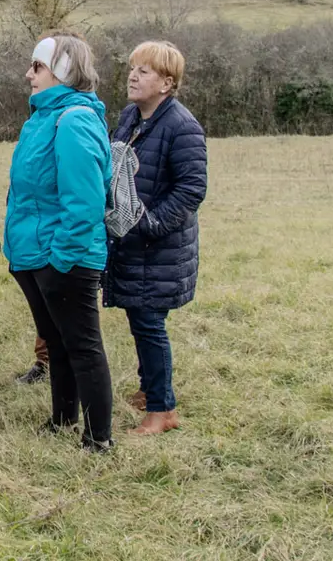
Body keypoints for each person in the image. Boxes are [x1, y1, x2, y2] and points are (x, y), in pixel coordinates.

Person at [6, 34, 115, 452]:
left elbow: (84, 203)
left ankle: (98, 438)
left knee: (83, 346)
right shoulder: (40, 119)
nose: (28, 74)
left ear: (63, 72)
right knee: (57, 341)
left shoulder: (73, 121)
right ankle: (63, 419)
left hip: (65, 259)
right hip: (35, 255)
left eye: (38, 67)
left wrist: (61, 260)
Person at [103, 40, 208, 437]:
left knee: (149, 323)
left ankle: (163, 410)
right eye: (132, 68)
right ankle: (149, 389)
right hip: (130, 242)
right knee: (139, 317)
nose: (132, 76)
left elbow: (191, 189)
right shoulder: (131, 117)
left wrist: (149, 223)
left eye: (143, 71)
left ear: (166, 83)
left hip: (159, 247)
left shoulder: (182, 126)